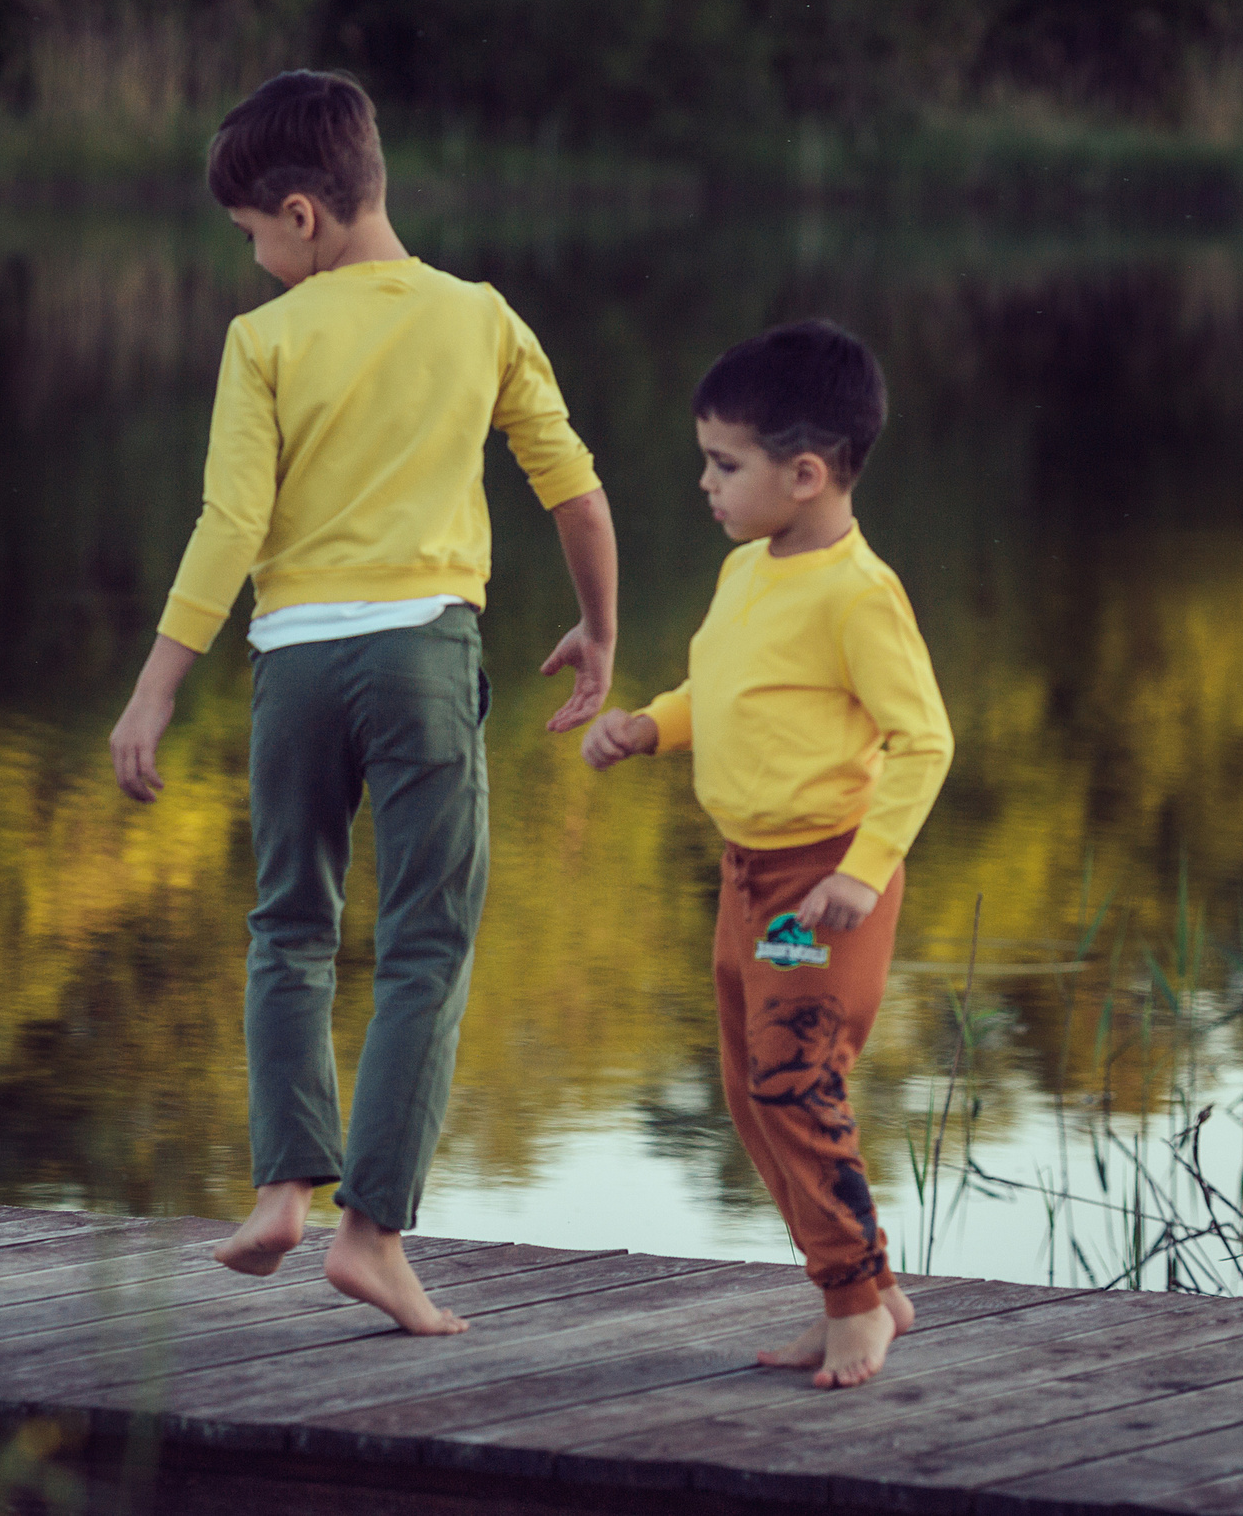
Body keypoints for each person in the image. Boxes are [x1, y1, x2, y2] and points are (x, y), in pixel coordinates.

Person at [108, 69, 619, 1336]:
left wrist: (153, 692)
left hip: (294, 667)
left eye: (250, 241)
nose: (255, 265)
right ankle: (371, 1234)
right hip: (421, 660)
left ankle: (282, 1186)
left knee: (288, 922)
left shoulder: (262, 342)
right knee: (425, 946)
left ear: (300, 216)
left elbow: (230, 524)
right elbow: (572, 488)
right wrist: (600, 630)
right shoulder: (480, 315)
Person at [582, 320, 952, 1389]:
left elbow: (925, 739)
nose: (704, 483)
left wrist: (861, 867)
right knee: (750, 1090)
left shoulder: (856, 595)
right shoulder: (749, 571)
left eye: (723, 464)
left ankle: (853, 1307)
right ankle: (861, 1286)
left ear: (804, 474)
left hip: (816, 886)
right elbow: (730, 692)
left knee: (796, 1082)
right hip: (747, 878)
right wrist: (651, 724)